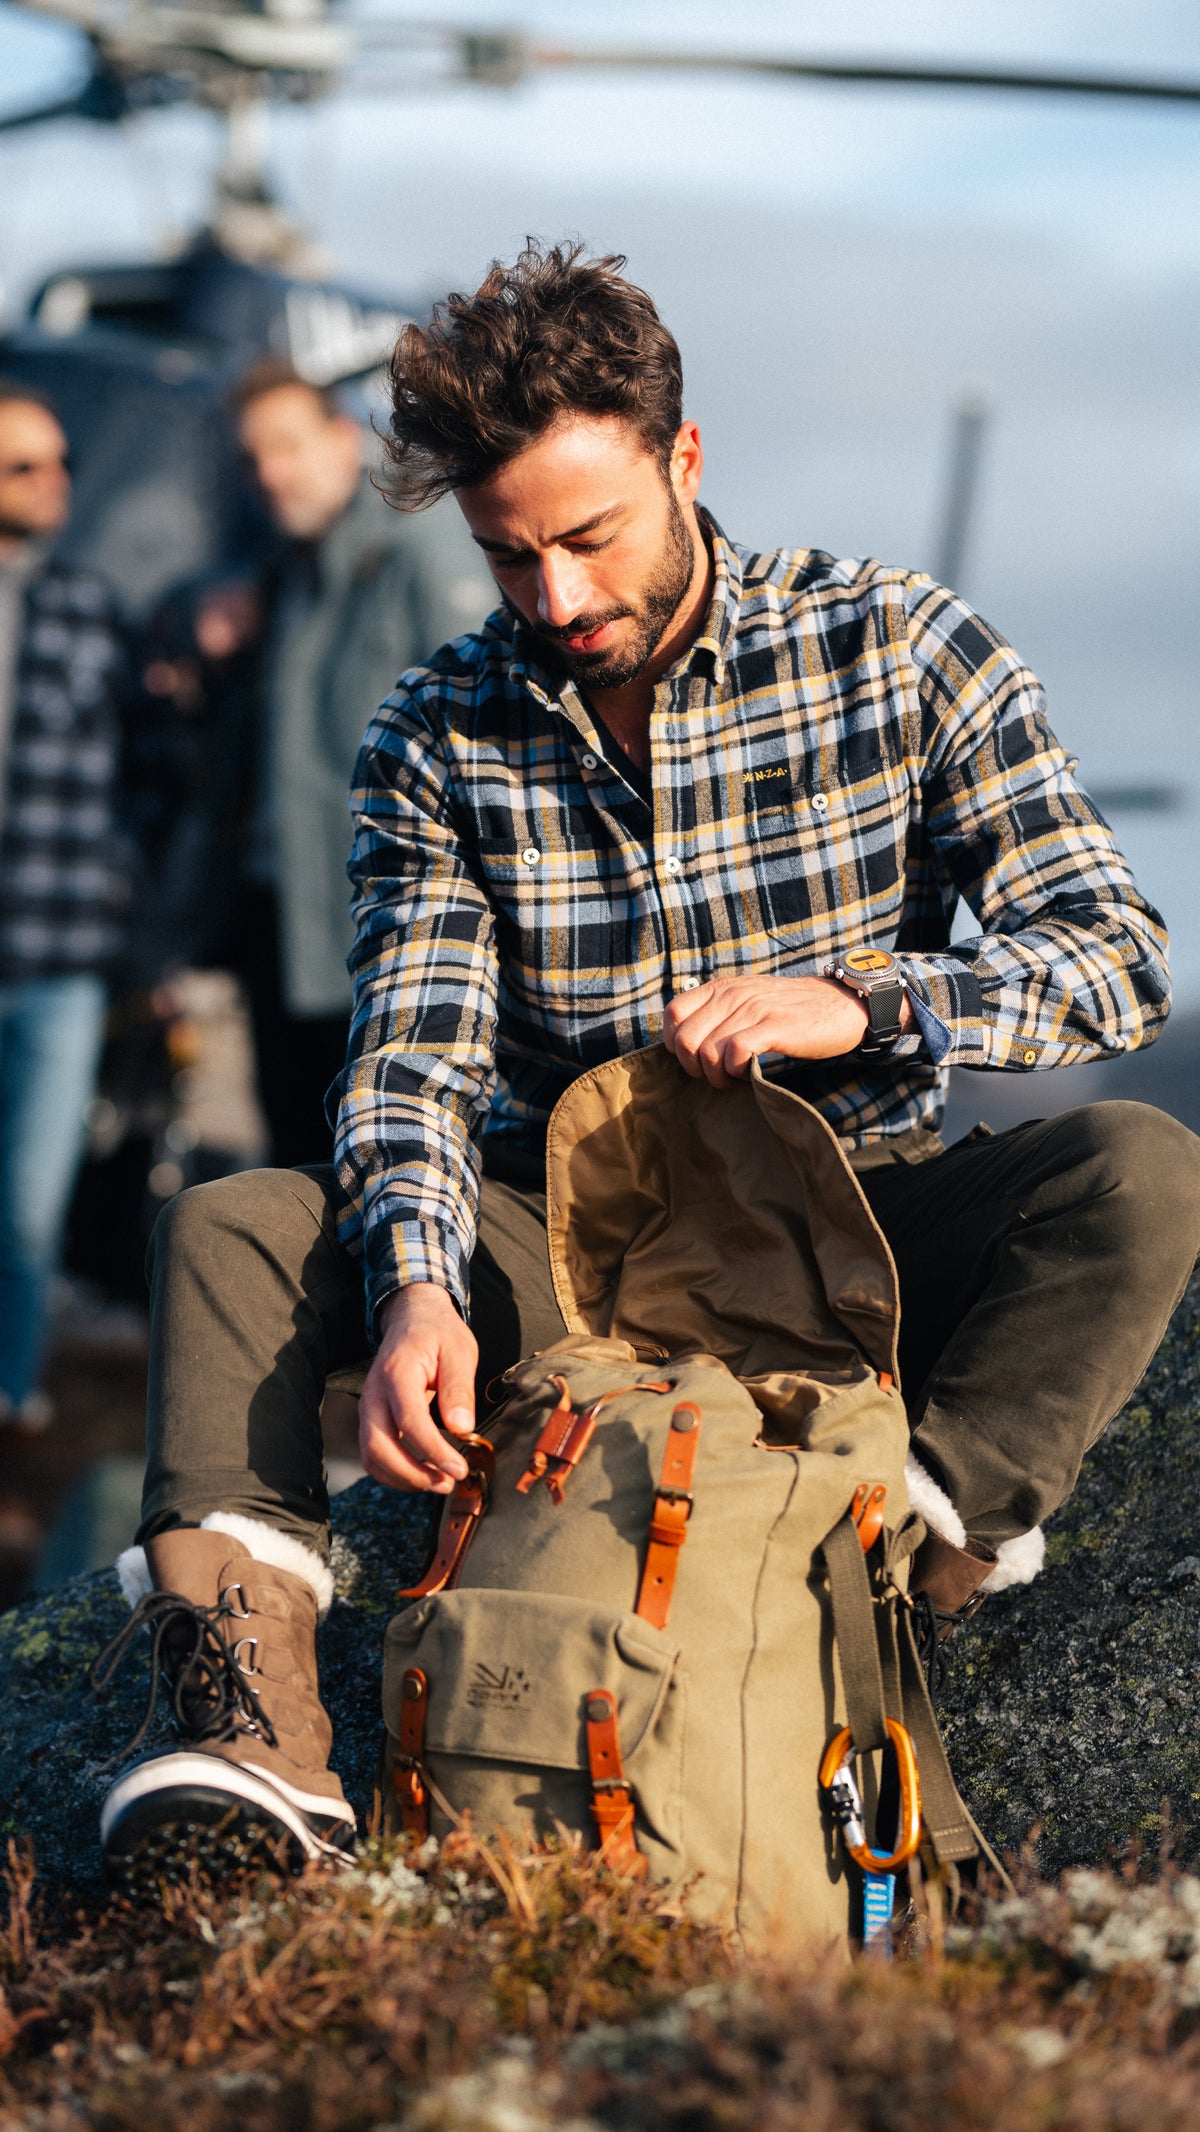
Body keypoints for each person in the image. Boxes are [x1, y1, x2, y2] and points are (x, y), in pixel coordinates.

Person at [95, 244, 1200, 1880]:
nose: (555, 599)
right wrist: (410, 1288)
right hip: (557, 1244)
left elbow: (1116, 954)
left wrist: (869, 1001)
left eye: (589, 537)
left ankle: (913, 1547)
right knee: (236, 1222)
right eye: (507, 555)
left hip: (864, 1229)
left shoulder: (899, 645)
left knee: (1139, 1167)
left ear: (684, 459)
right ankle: (253, 1731)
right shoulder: (434, 730)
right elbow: (412, 1052)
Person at [205, 360, 492, 1168]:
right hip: (284, 919)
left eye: (287, 448)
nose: (269, 474)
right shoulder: (281, 569)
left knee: (379, 1168)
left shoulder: (422, 553)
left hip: (384, 923)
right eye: (251, 458)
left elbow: (483, 733)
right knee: (293, 1169)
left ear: (342, 441)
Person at [0, 384, 131, 1430]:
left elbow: (153, 771)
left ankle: (12, 1390)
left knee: (31, 1201)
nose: (51, 485)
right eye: (23, 467)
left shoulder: (94, 609)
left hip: (58, 956)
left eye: (56, 465)